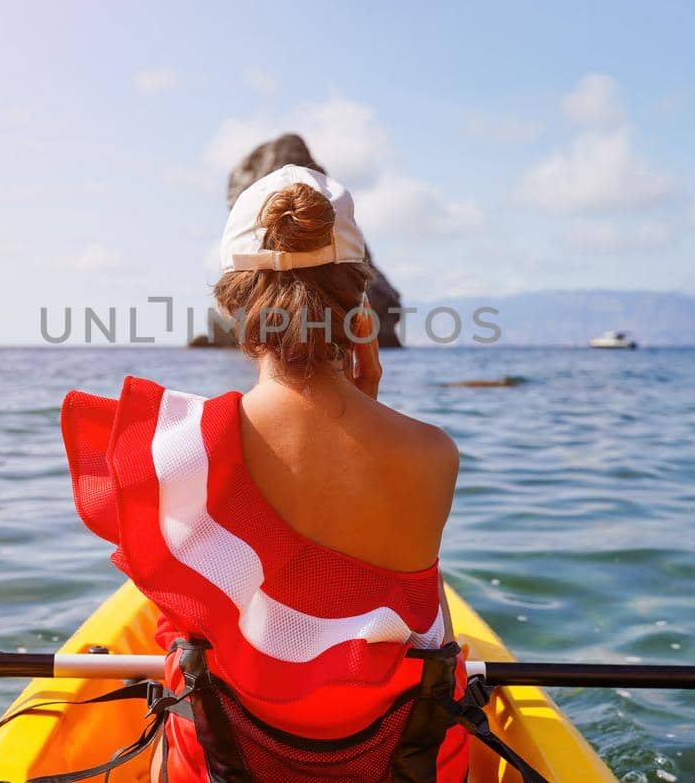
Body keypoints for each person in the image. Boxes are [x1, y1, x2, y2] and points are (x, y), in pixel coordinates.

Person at [60, 166, 482, 781]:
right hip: (399, 764)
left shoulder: (176, 450)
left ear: (235, 307)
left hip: (228, 764)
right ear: (358, 310)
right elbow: (425, 624)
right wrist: (369, 397)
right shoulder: (432, 454)